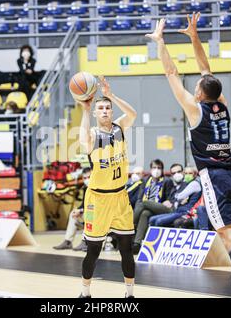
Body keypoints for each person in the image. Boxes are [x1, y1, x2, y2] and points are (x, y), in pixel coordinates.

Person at [146, 13, 231, 298]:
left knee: (227, 235)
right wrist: (194, 37)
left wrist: (160, 42)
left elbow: (171, 74)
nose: (196, 87)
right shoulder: (222, 105)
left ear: (200, 94)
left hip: (213, 178)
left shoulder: (194, 108)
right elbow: (206, 69)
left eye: (198, 87)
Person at [77, 76, 137, 298]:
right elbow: (84, 142)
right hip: (97, 199)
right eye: (100, 108)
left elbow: (133, 114)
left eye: (107, 108)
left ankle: (129, 294)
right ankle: (85, 292)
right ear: (95, 113)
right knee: (93, 250)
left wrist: (111, 95)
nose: (104, 111)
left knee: (126, 248)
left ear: (111, 111)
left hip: (120, 197)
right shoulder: (92, 134)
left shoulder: (120, 127)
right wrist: (85, 109)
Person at [132, 160, 175, 253]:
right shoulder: (145, 180)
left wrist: (169, 201)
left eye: (159, 168)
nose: (156, 170)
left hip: (162, 207)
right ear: (150, 169)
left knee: (144, 203)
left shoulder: (167, 181)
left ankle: (131, 224)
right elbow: (139, 198)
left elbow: (170, 198)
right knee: (144, 213)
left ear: (162, 170)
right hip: (148, 208)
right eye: (154, 168)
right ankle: (137, 244)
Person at [53, 167, 91, 251]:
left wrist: (81, 211)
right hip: (89, 212)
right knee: (73, 213)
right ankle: (68, 241)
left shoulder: (97, 188)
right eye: (85, 178)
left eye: (89, 177)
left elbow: (95, 205)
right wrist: (78, 211)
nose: (87, 180)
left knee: (89, 214)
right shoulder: (85, 188)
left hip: (98, 215)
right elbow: (84, 204)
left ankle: (86, 242)